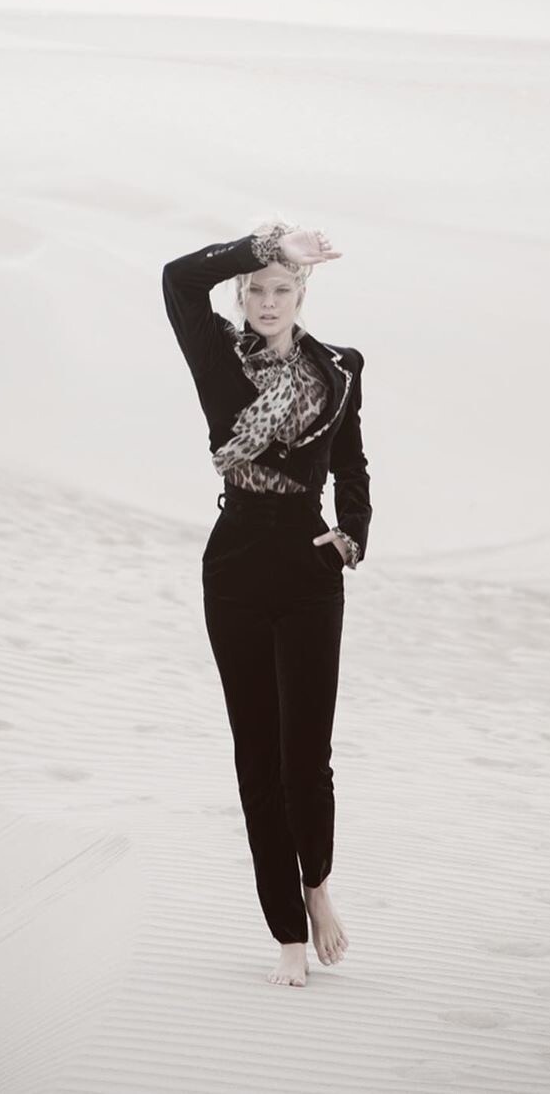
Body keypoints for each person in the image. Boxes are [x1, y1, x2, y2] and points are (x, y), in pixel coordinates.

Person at [162, 219, 372, 987]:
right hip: (237, 565)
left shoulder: (338, 369)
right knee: (256, 754)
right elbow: (178, 278)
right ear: (243, 294)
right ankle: (286, 929)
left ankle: (317, 882)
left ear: (301, 293)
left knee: (305, 757)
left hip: (309, 567)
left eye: (282, 287)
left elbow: (352, 463)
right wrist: (266, 243)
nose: (269, 300)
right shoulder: (218, 357)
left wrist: (351, 534)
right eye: (257, 289)